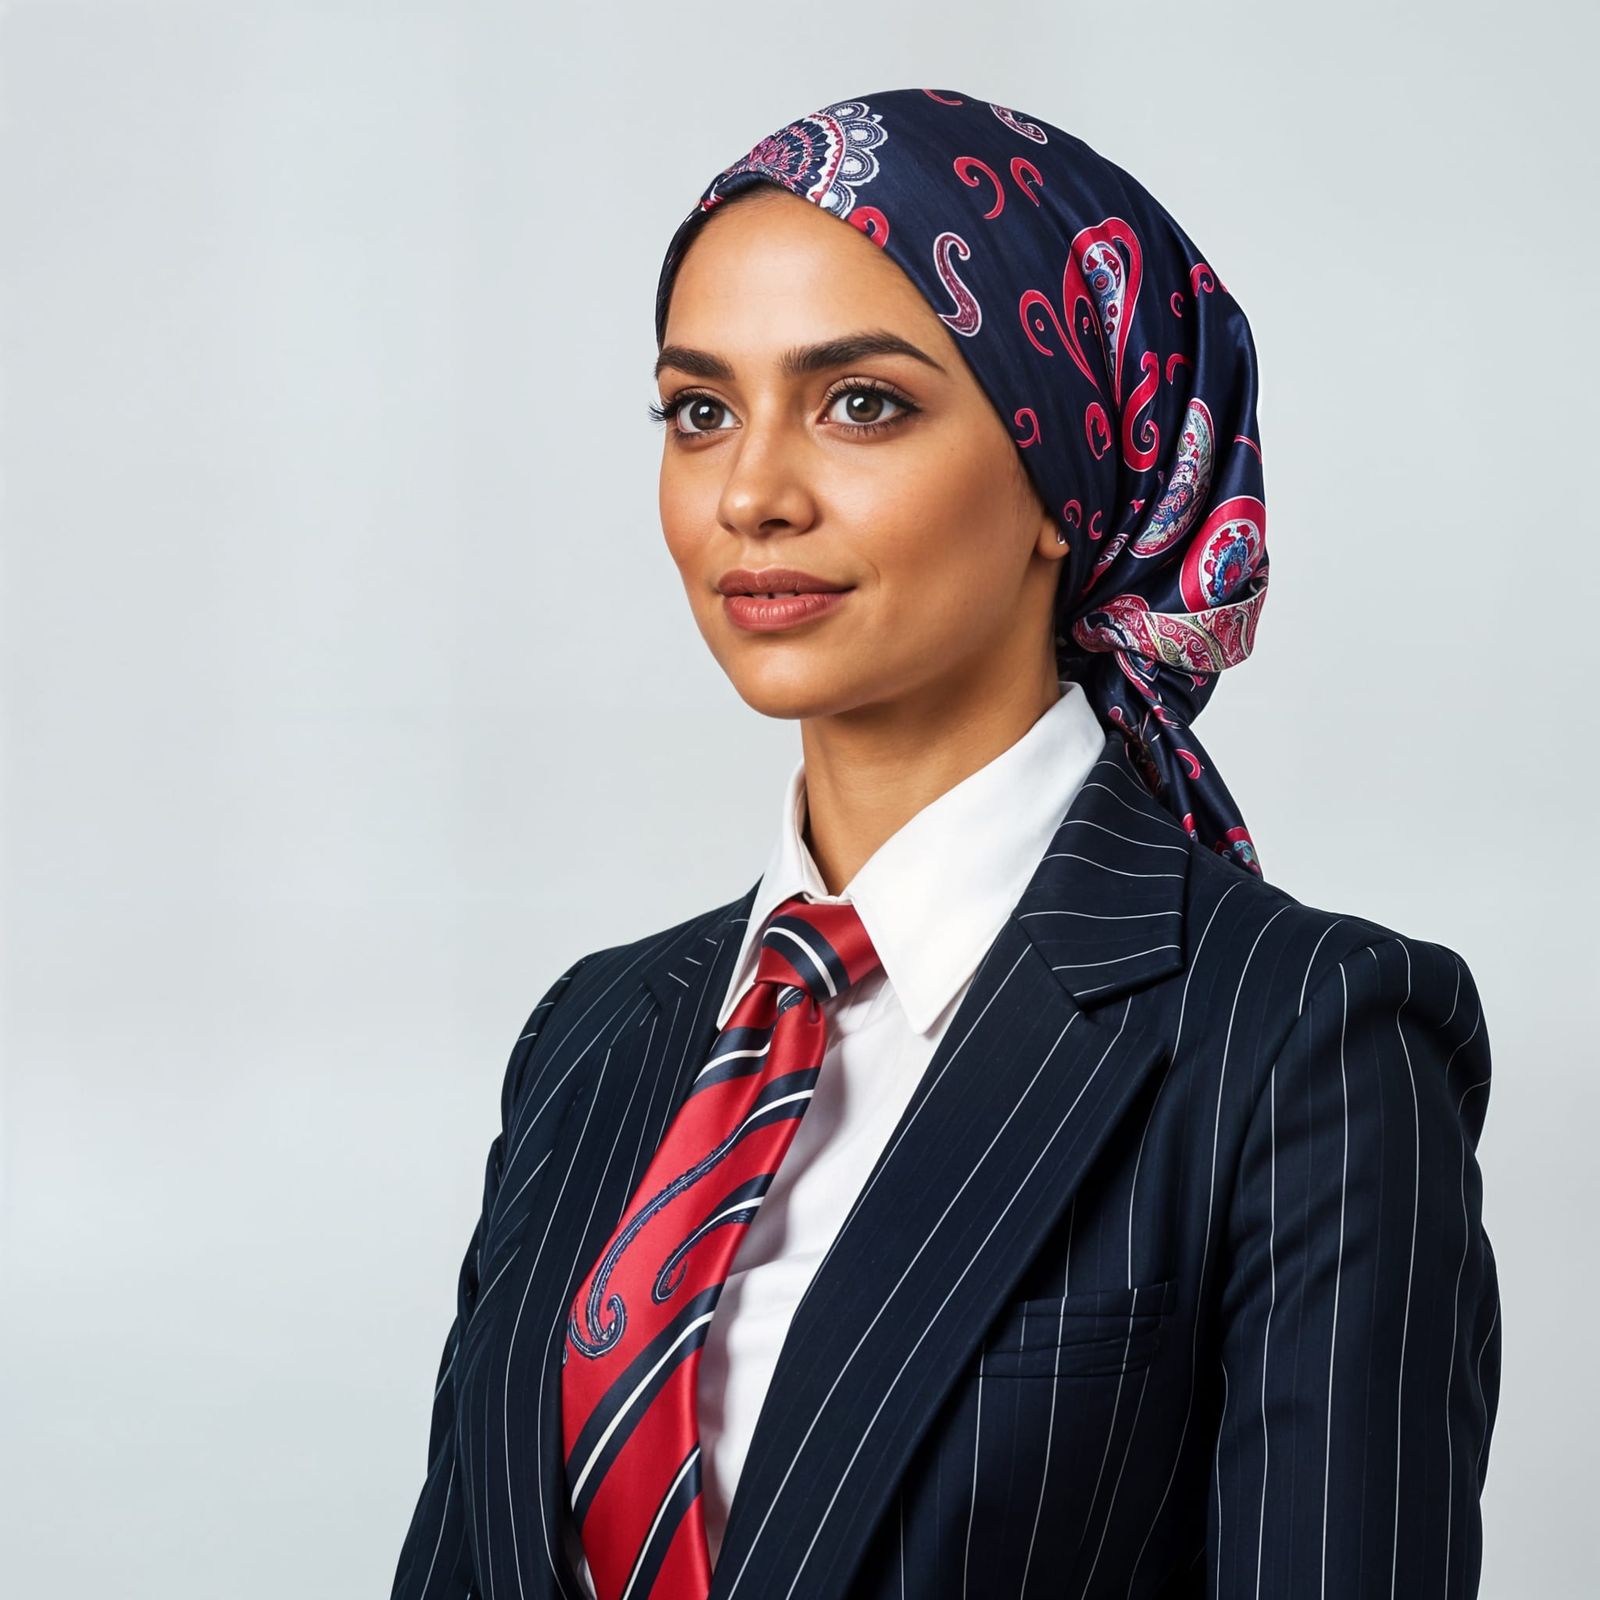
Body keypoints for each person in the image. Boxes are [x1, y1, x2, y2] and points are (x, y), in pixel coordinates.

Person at [390, 88, 1499, 1600]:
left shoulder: (1304, 1039)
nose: (751, 495)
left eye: (862, 404)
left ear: (1068, 476)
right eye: (699, 409)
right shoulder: (594, 1037)